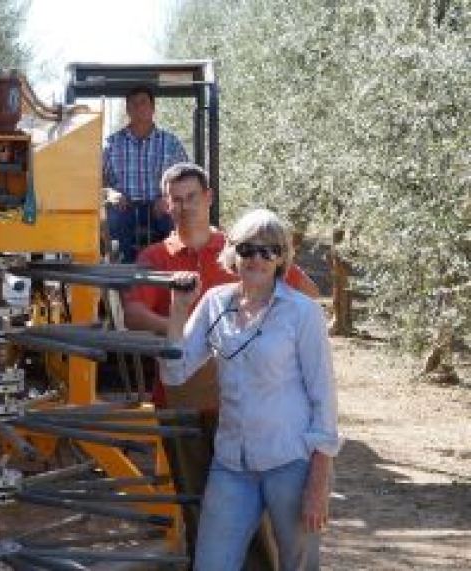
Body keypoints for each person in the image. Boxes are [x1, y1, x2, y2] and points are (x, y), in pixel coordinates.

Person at [121, 162, 320, 569]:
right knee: (203, 505)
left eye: (192, 197)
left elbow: (306, 293)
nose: (184, 207)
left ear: (208, 198)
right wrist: (195, 331)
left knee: (268, 519)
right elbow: (133, 315)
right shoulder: (155, 257)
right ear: (165, 204)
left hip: (259, 415)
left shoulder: (244, 246)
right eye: (175, 200)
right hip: (183, 403)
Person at [161, 208, 340, 570]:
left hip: (291, 460)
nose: (257, 258)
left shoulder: (302, 313)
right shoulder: (214, 302)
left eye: (268, 250)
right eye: (247, 249)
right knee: (211, 563)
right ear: (232, 253)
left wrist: (319, 483)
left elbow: (324, 398)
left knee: (299, 564)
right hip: (232, 462)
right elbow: (175, 373)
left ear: (282, 258)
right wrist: (178, 310)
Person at [102, 85, 189, 263]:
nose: (138, 107)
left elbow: (186, 177)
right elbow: (96, 181)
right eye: (133, 104)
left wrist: (168, 198)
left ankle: (175, 265)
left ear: (153, 108)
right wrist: (110, 194)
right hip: (124, 207)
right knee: (112, 221)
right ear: (127, 110)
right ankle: (123, 274)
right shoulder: (110, 144)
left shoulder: (171, 143)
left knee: (176, 216)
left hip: (159, 206)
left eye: (143, 102)